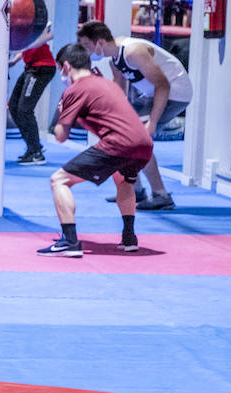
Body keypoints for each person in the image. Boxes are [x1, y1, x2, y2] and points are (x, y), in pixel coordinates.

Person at [37, 44, 153, 258]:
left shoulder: (74, 89)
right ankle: (129, 238)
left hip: (119, 143)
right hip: (144, 144)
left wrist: (61, 109)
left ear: (65, 67)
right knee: (123, 179)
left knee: (59, 180)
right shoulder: (106, 84)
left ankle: (69, 241)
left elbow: (61, 136)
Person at [77, 20, 192, 209]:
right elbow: (118, 90)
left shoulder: (133, 51)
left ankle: (161, 195)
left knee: (136, 139)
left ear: (99, 42)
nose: (85, 51)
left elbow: (163, 85)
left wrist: (152, 122)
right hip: (152, 94)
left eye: (87, 46)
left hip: (175, 93)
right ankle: (135, 190)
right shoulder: (115, 59)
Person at [9, 24, 56, 165]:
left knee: (24, 109)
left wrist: (22, 48)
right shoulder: (20, 21)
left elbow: (48, 35)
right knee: (13, 106)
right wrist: (15, 60)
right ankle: (33, 146)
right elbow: (26, 46)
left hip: (42, 68)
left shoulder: (37, 17)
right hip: (31, 67)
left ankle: (36, 152)